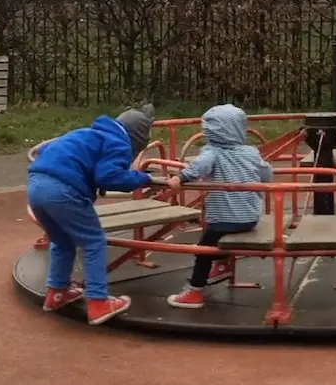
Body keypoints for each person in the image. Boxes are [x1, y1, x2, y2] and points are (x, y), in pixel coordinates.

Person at [27, 104, 156, 325]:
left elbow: (50, 152)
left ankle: (56, 292)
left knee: (62, 240)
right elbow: (110, 176)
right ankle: (98, 302)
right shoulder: (118, 143)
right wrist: (144, 179)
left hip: (35, 186)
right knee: (93, 241)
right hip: (63, 190)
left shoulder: (86, 133)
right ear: (137, 138)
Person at [165, 104, 273, 309]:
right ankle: (222, 264)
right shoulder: (251, 152)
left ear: (211, 131)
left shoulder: (213, 153)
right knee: (216, 239)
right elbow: (266, 173)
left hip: (224, 219)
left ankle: (195, 291)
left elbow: (197, 168)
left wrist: (180, 178)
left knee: (204, 250)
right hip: (249, 218)